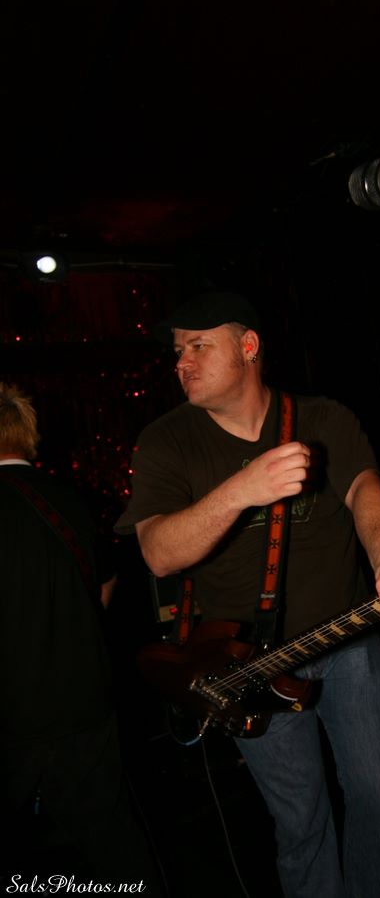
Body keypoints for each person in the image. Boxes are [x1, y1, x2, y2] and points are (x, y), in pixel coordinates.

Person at [114, 290, 380, 898]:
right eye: (178, 351)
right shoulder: (166, 440)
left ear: (249, 346)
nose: (182, 363)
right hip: (247, 666)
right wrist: (242, 490)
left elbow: (366, 490)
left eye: (198, 345)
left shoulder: (323, 418)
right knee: (301, 822)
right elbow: (157, 551)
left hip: (347, 643)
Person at [0, 382, 167, 893]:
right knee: (117, 852)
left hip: (10, 717)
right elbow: (107, 582)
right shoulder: (70, 499)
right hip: (84, 705)